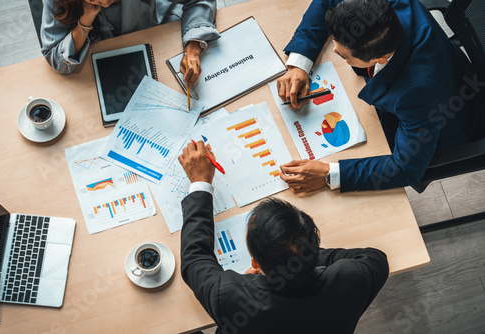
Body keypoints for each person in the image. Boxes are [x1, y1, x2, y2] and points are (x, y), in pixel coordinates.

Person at [178, 140, 389, 334]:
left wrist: (200, 183)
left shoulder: (229, 298)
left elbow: (195, 257)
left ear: (255, 261)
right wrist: (299, 255)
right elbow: (374, 257)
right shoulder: (356, 278)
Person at [277, 0, 482, 192]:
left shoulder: (417, 94)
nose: (334, 49)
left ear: (381, 59)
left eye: (343, 56)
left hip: (439, 123)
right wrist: (299, 63)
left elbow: (404, 169)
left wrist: (328, 174)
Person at [41, 0, 220, 87]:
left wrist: (193, 48)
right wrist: (85, 20)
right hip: (100, 66)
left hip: (158, 39)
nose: (104, 2)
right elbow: (55, 58)